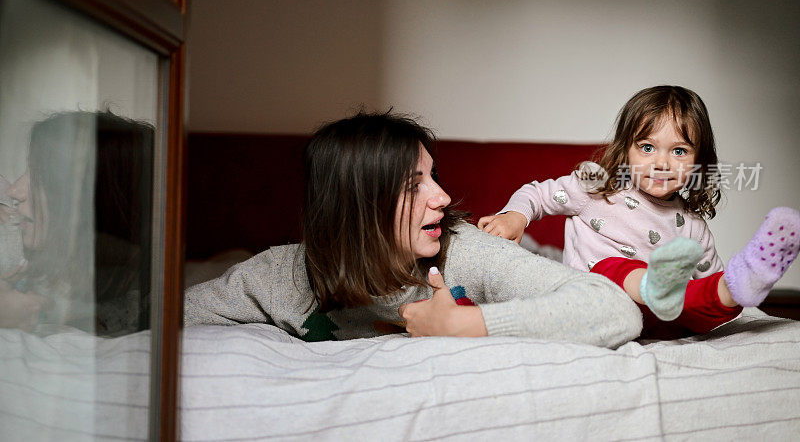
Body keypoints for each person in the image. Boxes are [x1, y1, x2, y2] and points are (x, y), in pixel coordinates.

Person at [184, 111, 642, 347]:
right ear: (355, 209)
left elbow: (615, 311)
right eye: (413, 186)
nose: (442, 197)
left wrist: (466, 324)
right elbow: (151, 314)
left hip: (534, 260)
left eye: (434, 176)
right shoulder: (280, 277)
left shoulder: (462, 252)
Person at [478, 86, 800, 339]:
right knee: (611, 271)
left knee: (699, 298)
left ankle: (742, 283)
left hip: (660, 324)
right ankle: (654, 286)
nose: (661, 163)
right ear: (625, 149)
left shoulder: (692, 226)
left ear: (699, 163)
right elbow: (538, 194)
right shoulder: (599, 188)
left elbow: (704, 282)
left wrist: (720, 291)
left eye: (679, 151)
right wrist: (514, 216)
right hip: (594, 303)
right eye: (647, 148)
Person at [0, 110, 154, 335]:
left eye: (41, 177)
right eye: (27, 170)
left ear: (90, 200)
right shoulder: (33, 268)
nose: (14, 191)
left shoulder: (133, 309)